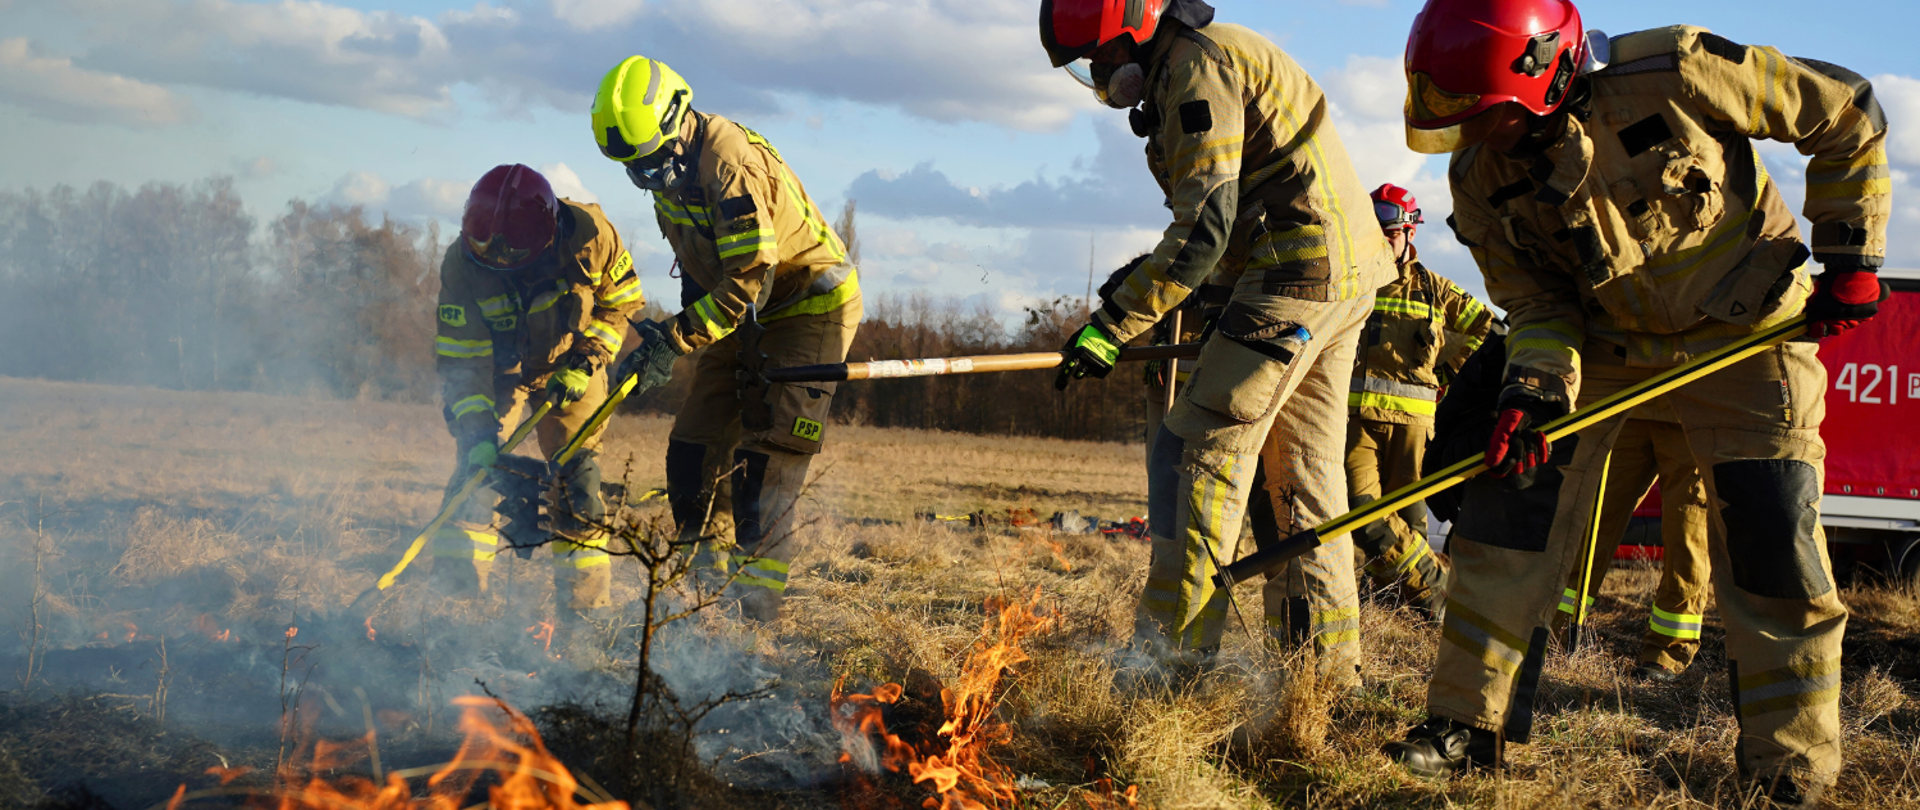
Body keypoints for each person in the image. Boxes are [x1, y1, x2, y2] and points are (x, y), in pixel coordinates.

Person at [1387, 0, 1889, 803]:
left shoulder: (1681, 71)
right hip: (1607, 349)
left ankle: (1788, 772)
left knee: (1774, 549)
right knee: (1506, 519)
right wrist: (1531, 392)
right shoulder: (1480, 176)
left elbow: (1847, 110)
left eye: (1495, 117)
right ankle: (1463, 724)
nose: (1484, 137)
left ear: (1547, 68)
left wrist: (1850, 251)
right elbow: (1540, 306)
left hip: (1747, 334)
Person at [1042, 0, 1395, 681]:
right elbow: (1226, 226)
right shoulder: (1201, 59)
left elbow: (1204, 227)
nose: (1100, 73)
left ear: (1134, 28)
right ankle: (1321, 678)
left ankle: (1167, 666)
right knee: (1303, 479)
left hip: (1295, 276)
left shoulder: (1197, 70)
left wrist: (1113, 325)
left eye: (1102, 56)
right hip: (1336, 274)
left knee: (1191, 456)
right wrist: (1162, 293)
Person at [591, 56, 861, 622]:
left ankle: (752, 618)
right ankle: (702, 596)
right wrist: (666, 336)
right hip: (740, 312)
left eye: (650, 162)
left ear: (677, 122)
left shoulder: (727, 161)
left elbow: (747, 280)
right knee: (692, 452)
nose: (644, 178)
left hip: (806, 303)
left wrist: (675, 340)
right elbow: (701, 268)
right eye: (630, 167)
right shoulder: (666, 170)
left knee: (767, 457)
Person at [431, 163, 644, 628]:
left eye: (506, 254)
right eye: (484, 249)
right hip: (501, 375)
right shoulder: (462, 261)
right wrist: (477, 430)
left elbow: (622, 303)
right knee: (473, 474)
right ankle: (454, 609)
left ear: (542, 241)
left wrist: (587, 360)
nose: (494, 261)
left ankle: (584, 617)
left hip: (570, 366)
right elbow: (460, 361)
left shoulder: (592, 236)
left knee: (578, 480)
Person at [1345, 184, 1493, 617]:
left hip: (1414, 427)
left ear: (1410, 233)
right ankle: (1438, 587)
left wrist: (1447, 375)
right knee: (1361, 513)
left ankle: (1402, 607)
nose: (1381, 244)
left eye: (1389, 235)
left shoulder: (1435, 290)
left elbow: (1485, 331)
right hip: (1356, 423)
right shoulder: (1354, 284)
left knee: (1408, 524)